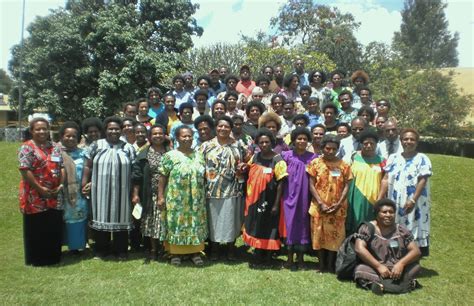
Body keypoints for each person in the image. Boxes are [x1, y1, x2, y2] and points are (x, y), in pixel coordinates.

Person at [82, 116, 136, 259]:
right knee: (101, 217)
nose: (114, 131)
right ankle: (101, 250)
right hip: (100, 191)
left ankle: (121, 250)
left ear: (121, 130)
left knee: (121, 218)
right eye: (110, 128)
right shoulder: (96, 145)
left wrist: (134, 191)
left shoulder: (128, 147)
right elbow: (87, 165)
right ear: (105, 130)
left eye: (117, 129)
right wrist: (84, 182)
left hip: (122, 191)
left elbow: (134, 170)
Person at [158, 125, 207, 266]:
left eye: (189, 136)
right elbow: (162, 177)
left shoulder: (199, 155)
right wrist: (160, 196)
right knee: (176, 224)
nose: (187, 138)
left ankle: (195, 252)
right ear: (177, 138)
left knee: (195, 223)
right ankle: (175, 253)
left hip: (196, 198)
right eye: (183, 136)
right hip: (176, 198)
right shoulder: (170, 156)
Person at [200, 116, 248, 261]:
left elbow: (247, 161)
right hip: (211, 190)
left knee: (230, 220)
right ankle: (214, 248)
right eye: (220, 126)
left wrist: (244, 167)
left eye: (227, 126)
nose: (223, 129)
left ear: (231, 128)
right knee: (213, 220)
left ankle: (230, 248)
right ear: (216, 128)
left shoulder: (238, 145)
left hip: (233, 189)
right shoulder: (206, 146)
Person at [378, 128, 432, 256]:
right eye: (405, 139)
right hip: (394, 201)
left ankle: (412, 261)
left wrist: (413, 199)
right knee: (394, 226)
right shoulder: (393, 158)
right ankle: (394, 258)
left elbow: (423, 180)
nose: (408, 141)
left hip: (415, 203)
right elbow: (385, 179)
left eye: (412, 139)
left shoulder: (422, 159)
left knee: (413, 226)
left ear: (417, 142)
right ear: (401, 141)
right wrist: (380, 199)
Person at [18, 118, 64, 266]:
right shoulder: (27, 148)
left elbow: (61, 167)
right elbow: (25, 170)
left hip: (54, 193)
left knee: (53, 225)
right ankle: (36, 259)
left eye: (44, 128)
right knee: (36, 227)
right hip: (34, 194)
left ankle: (52, 257)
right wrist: (40, 189)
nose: (42, 131)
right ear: (32, 131)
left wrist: (61, 185)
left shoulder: (55, 147)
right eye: (38, 129)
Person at [354, 199, 422, 294]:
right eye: (384, 212)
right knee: (360, 270)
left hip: (398, 270)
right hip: (376, 268)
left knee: (416, 267)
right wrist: (378, 266)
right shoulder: (368, 228)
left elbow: (416, 251)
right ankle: (405, 284)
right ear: (377, 214)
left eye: (391, 212)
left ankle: (378, 285)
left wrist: (400, 264)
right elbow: (359, 248)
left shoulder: (401, 230)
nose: (388, 215)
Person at [243, 128, 288, 266]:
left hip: (269, 200)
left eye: (266, 142)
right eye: (261, 142)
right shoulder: (255, 157)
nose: (264, 145)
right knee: (256, 225)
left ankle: (268, 256)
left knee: (269, 227)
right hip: (254, 200)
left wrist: (275, 205)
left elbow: (281, 183)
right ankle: (257, 253)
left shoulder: (278, 160)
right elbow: (249, 169)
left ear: (272, 143)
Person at [307, 134, 352, 273]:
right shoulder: (315, 163)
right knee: (319, 236)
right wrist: (320, 203)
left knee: (335, 237)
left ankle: (331, 265)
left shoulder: (344, 165)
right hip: (319, 207)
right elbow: (311, 184)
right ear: (322, 148)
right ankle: (321, 265)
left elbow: (347, 185)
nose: (330, 151)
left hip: (337, 208)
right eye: (328, 148)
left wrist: (338, 204)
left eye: (334, 149)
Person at [132, 124, 169, 262]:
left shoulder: (170, 152)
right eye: (155, 134)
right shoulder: (144, 154)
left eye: (160, 133)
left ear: (164, 135)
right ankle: (153, 250)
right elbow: (137, 176)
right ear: (150, 137)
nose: (158, 136)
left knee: (165, 222)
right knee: (152, 223)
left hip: (169, 193)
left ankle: (166, 249)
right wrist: (135, 194)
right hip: (150, 193)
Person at [281, 127, 317, 270]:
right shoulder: (286, 156)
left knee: (303, 225)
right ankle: (289, 258)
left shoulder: (313, 158)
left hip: (305, 197)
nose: (301, 141)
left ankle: (301, 259)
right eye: (299, 138)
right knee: (289, 225)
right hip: (288, 196)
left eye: (304, 139)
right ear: (294, 140)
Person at [346, 131, 386, 235]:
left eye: (372, 143)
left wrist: (380, 198)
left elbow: (384, 180)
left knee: (371, 225)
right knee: (355, 221)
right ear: (361, 144)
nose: (369, 146)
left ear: (376, 145)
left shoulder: (382, 161)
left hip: (374, 198)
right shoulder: (353, 157)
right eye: (366, 143)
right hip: (356, 196)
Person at [60, 121, 88, 253]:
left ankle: (76, 247)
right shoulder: (55, 154)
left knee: (77, 219)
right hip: (59, 193)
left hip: (78, 194)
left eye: (74, 136)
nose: (71, 139)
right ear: (61, 137)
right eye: (67, 136)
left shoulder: (84, 154)